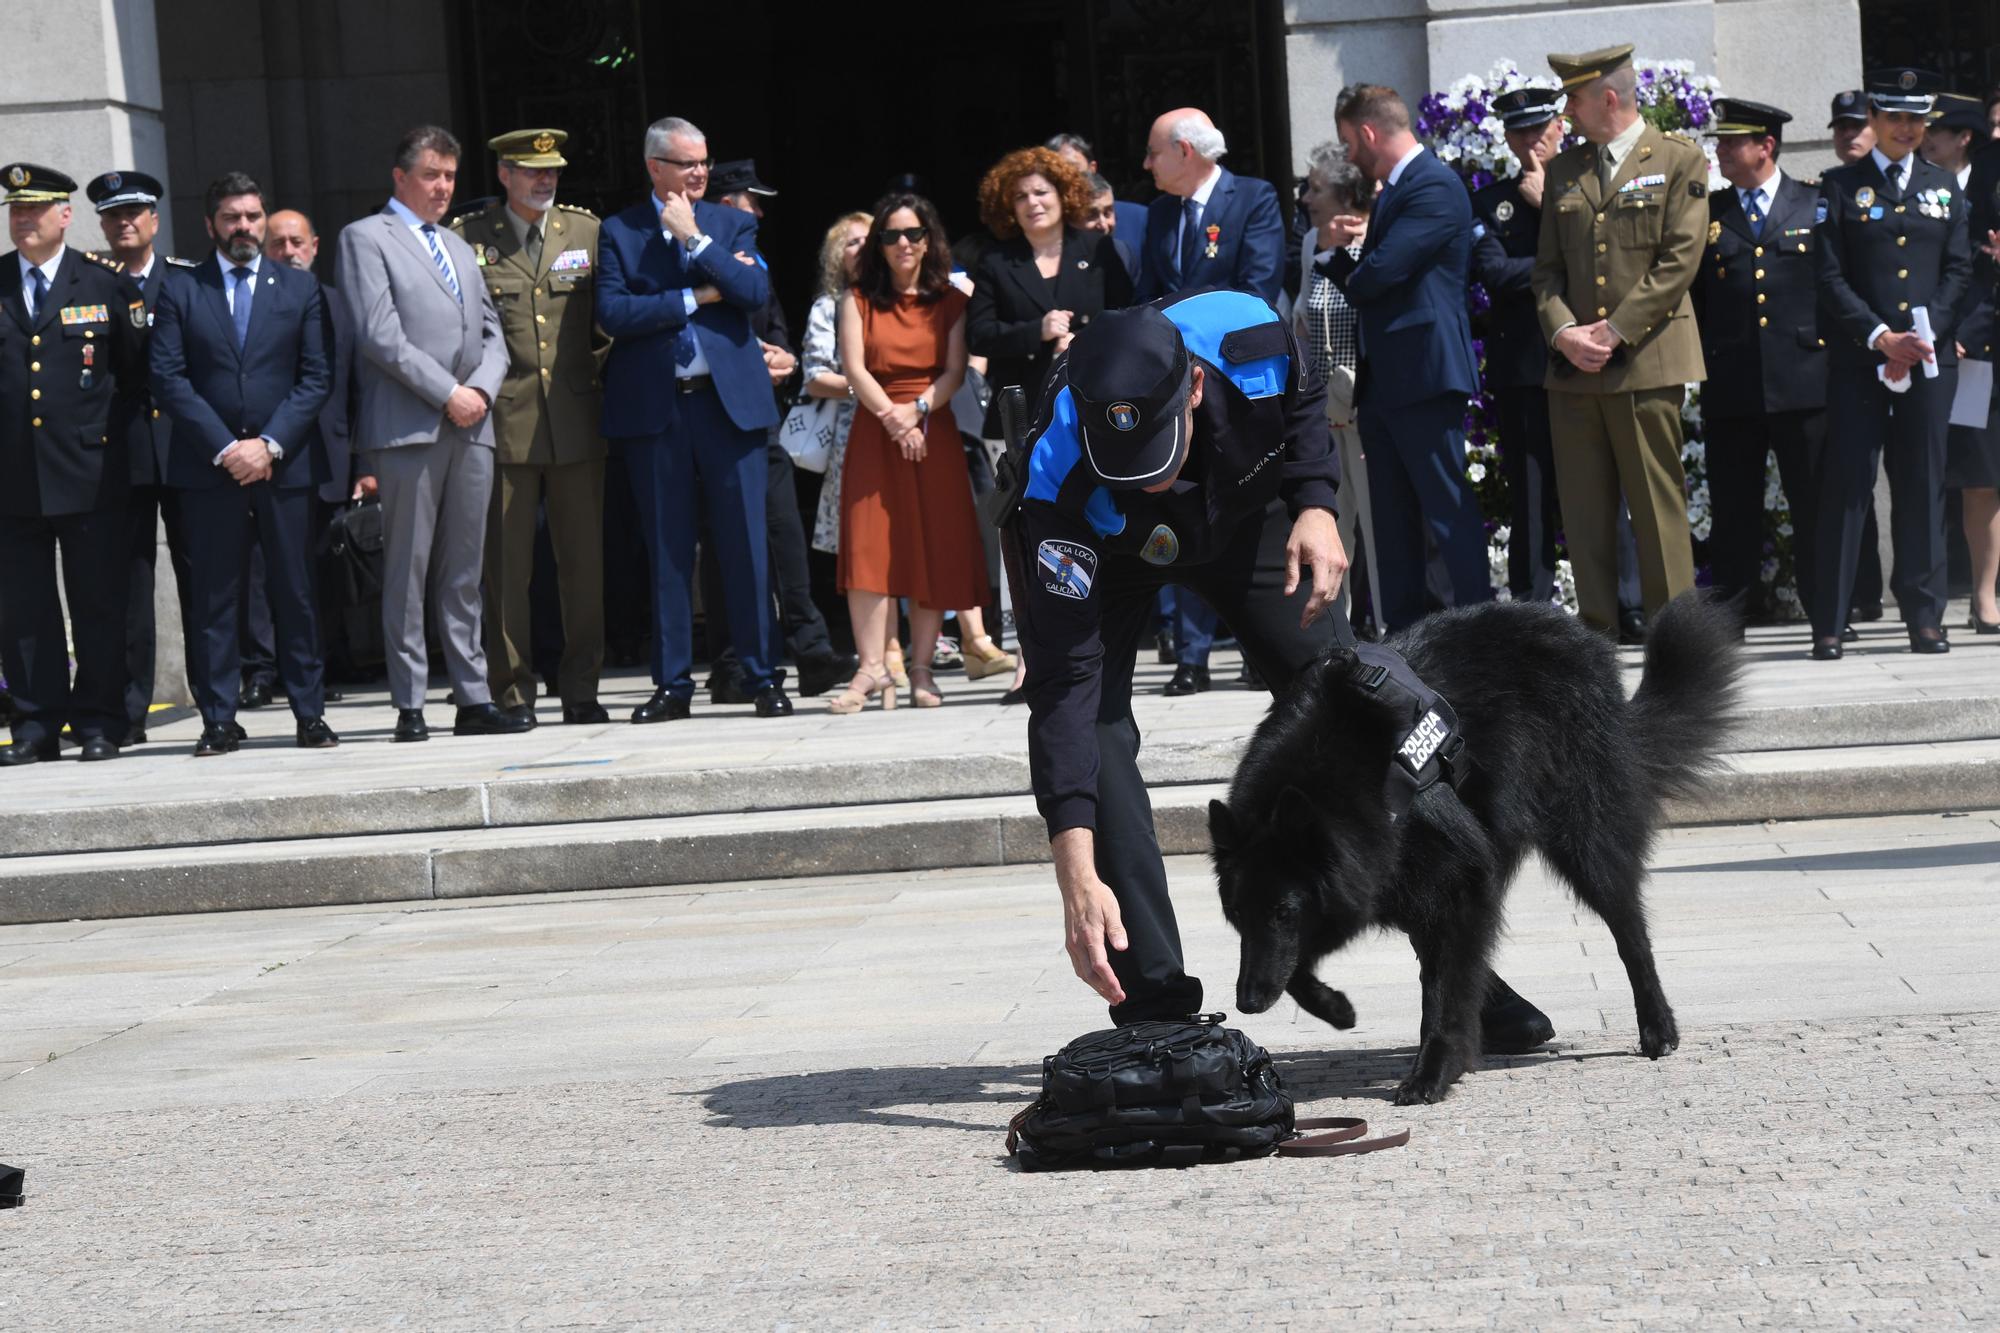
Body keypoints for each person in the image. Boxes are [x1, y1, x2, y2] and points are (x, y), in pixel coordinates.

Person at [998, 293, 1553, 1053]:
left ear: (1194, 387)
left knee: (1351, 711)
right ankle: (1154, 1006)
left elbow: (1302, 404)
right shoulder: (1054, 473)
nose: (1148, 474)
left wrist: (1317, 505)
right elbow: (1062, 695)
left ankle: (1463, 971)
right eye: (1128, 458)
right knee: (1095, 730)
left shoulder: (1246, 333)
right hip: (1111, 548)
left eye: (1158, 446)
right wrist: (1074, 872)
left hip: (1246, 518)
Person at [596, 116, 792, 721]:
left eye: (704, 162)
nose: (700, 172)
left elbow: (752, 292)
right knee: (669, 551)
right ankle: (673, 684)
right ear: (655, 167)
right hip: (658, 411)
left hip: (727, 406)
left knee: (746, 547)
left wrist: (695, 241)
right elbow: (613, 313)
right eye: (687, 163)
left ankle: (763, 678)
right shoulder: (619, 232)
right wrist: (694, 296)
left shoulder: (731, 223)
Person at [337, 125, 526, 741]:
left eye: (449, 176)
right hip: (412, 428)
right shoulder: (366, 237)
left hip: (472, 427)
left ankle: (473, 698)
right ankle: (410, 701)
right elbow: (379, 334)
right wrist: (450, 393)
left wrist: (482, 392)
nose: (443, 187)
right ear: (400, 178)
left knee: (465, 570)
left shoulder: (458, 244)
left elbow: (495, 333)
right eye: (430, 175)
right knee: (408, 569)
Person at [149, 171, 335, 756]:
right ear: (211, 226)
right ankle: (219, 719)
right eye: (232, 217)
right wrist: (228, 448)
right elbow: (169, 378)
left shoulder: (299, 288)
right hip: (210, 469)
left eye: (253, 216)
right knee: (213, 596)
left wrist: (269, 444)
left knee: (295, 591)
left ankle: (310, 712)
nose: (245, 227)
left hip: (286, 465)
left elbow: (316, 377)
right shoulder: (181, 289)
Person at [1532, 44, 1706, 637]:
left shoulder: (1679, 158)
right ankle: (1596, 648)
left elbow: (1679, 260)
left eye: (1574, 100)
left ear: (1608, 98)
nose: (1567, 114)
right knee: (1584, 518)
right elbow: (1547, 272)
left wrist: (1613, 330)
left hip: (1646, 361)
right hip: (1575, 370)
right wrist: (1563, 332)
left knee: (1658, 513)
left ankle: (1675, 648)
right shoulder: (1564, 170)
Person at [448, 128, 611, 727]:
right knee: (506, 569)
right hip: (504, 424)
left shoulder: (587, 232)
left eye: (553, 172)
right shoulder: (469, 240)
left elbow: (606, 324)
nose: (545, 181)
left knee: (583, 566)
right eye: (531, 171)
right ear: (503, 175)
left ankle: (582, 688)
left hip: (576, 421)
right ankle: (512, 690)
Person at [1808, 69, 1972, 659]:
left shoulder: (1944, 187)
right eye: (1896, 117)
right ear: (1874, 120)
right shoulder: (1839, 186)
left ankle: (1924, 616)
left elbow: (1959, 269)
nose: (1908, 129)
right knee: (1848, 485)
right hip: (1860, 361)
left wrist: (1923, 337)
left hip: (1927, 361)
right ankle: (1829, 619)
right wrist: (1881, 336)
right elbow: (1827, 277)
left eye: (1917, 119)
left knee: (1923, 486)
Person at [1318, 83, 1490, 633]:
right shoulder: (1395, 189)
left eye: (1349, 143)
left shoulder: (1432, 186)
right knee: (1391, 522)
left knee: (1447, 508)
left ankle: (1483, 630)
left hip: (1425, 374)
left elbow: (1377, 276)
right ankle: (1410, 637)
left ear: (1369, 133)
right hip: (1387, 381)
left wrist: (1338, 260)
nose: (1348, 156)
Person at [1135, 108, 1287, 692]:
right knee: (1185, 507)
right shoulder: (1157, 215)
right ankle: (1192, 657)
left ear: (1184, 151)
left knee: (1247, 509)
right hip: (1179, 389)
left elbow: (1258, 288)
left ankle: (1257, 648)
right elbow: (1150, 294)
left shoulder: (1253, 199)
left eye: (1153, 152)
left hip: (1240, 382)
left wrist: (1192, 346)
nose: (1146, 165)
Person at [0, 163, 147, 765]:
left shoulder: (104, 283)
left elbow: (136, 377)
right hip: (13, 476)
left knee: (98, 604)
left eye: (35, 209)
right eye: (15, 210)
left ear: (65, 215)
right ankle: (35, 724)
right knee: (25, 608)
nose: (23, 219)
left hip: (92, 473)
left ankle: (99, 721)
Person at [824, 193, 985, 713]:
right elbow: (854, 368)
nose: (902, 245)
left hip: (931, 427)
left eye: (913, 234)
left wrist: (915, 411)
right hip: (877, 430)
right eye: (891, 235)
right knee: (870, 547)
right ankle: (870, 668)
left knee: (930, 545)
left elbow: (955, 372)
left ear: (928, 239)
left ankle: (920, 670)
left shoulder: (950, 299)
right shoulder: (857, 298)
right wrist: (895, 419)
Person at [701, 158, 853, 701]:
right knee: (727, 544)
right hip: (713, 414)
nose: (760, 211)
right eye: (751, 200)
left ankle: (811, 651)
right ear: (725, 204)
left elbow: (777, 332)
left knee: (785, 532)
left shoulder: (754, 256)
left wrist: (783, 358)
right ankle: (731, 663)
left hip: (760, 413)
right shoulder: (696, 251)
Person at [1691, 99, 1828, 630]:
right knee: (1733, 514)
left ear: (1766, 146)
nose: (1720, 150)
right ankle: (1729, 625)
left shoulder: (1812, 205)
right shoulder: (1710, 212)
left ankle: (1827, 613)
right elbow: (1698, 301)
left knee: (1813, 505)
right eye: (1719, 141)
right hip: (1733, 384)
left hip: (1805, 382)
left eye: (1731, 142)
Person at [87, 169, 190, 746]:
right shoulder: (90, 285)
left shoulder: (185, 281)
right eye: (114, 215)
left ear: (154, 219)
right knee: (129, 589)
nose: (125, 222)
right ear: (102, 224)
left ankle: (218, 701)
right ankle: (130, 712)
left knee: (202, 579)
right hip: (119, 451)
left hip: (185, 448)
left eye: (135, 213)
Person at [1468, 88, 1567, 609]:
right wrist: (1556, 264)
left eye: (1540, 129)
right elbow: (1495, 274)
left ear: (1560, 128)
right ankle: (1532, 601)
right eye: (1520, 132)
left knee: (1598, 486)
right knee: (1529, 492)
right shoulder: (1491, 201)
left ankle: (1627, 601)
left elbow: (1602, 262)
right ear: (1507, 138)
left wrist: (1549, 204)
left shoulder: (1583, 188)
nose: (1532, 141)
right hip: (1523, 363)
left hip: (1586, 358)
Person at [1294, 139, 1383, 630]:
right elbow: (1302, 319)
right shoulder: (1311, 241)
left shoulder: (1375, 235)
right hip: (1325, 406)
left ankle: (1394, 636)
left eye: (1316, 188)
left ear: (1347, 193)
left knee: (1376, 526)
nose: (1306, 197)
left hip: (1365, 403)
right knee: (1333, 527)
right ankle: (1333, 638)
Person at [1826, 88, 1889, 621]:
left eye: (1857, 125)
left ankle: (1874, 592)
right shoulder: (1829, 191)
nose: (1850, 135)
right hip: (1847, 354)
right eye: (1841, 127)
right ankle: (1854, 594)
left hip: (1905, 351)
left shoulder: (1902, 186)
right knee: (1850, 484)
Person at [1045, 133, 1149, 254]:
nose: (1067, 181)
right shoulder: (1042, 228)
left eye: (1073, 171)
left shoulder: (1139, 217)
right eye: (1059, 175)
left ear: (1092, 169)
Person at [1079, 171, 1141, 285]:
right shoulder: (1056, 262)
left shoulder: (1123, 253)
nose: (1103, 224)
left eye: (1108, 213)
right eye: (1091, 215)